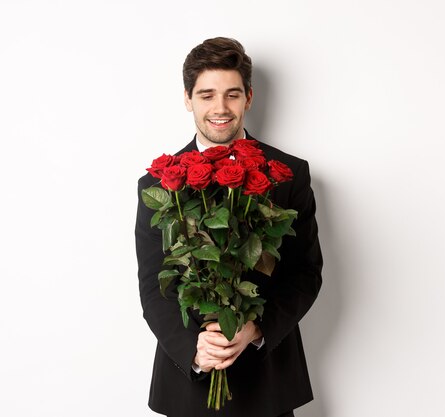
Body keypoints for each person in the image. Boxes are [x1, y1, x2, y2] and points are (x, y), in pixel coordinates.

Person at [135, 37, 323, 417]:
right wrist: (196, 350)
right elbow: (154, 285)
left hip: (268, 382)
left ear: (248, 98)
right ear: (188, 99)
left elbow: (305, 273)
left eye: (232, 95)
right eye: (206, 95)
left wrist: (255, 330)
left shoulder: (289, 174)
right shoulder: (158, 184)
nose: (220, 108)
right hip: (189, 385)